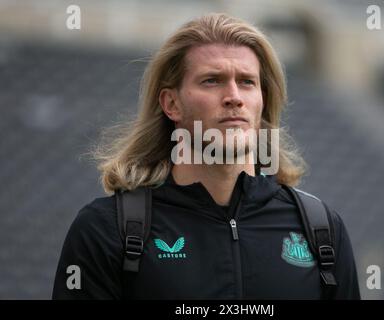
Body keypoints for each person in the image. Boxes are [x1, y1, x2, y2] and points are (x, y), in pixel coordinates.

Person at [52, 13, 360, 300]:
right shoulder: (107, 229)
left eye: (247, 82)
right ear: (171, 104)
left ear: (263, 102)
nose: (234, 97)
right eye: (211, 80)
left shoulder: (321, 230)